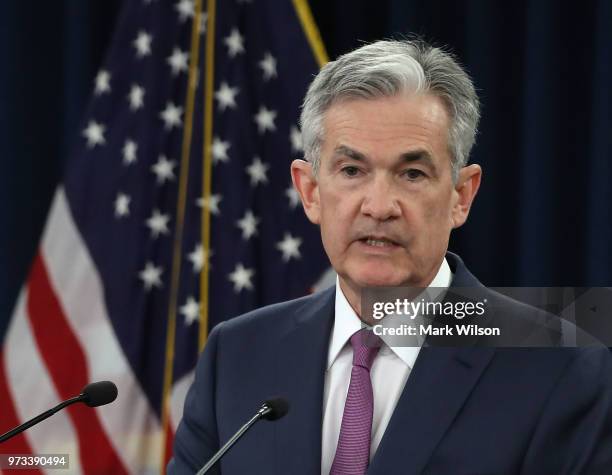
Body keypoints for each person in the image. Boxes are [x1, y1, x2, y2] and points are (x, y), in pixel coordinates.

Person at [168, 39, 612, 474]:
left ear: (461, 195)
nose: (379, 206)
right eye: (352, 171)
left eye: (412, 173)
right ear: (310, 191)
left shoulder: (561, 369)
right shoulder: (238, 354)